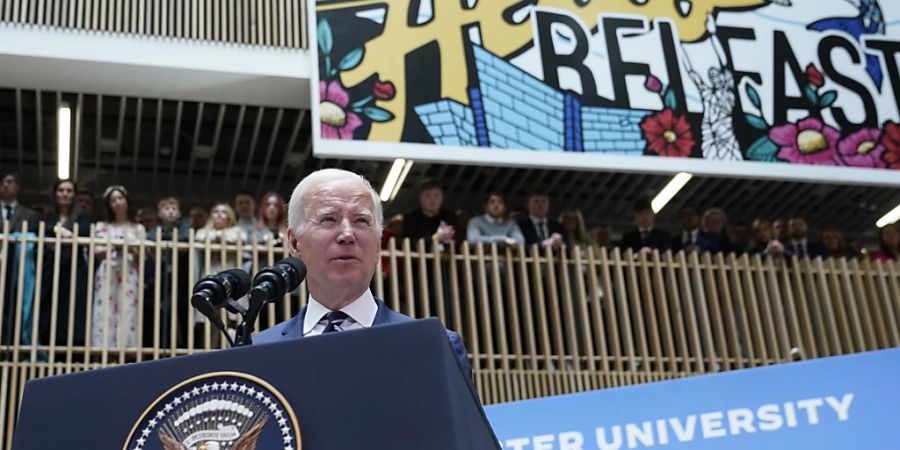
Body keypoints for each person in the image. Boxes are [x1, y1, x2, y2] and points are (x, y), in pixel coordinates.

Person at [253, 169, 471, 379]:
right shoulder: (258, 353)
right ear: (294, 242)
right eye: (328, 219)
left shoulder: (437, 348)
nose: (347, 234)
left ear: (377, 245)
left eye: (361, 221)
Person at [39, 179, 91, 346]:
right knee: (47, 309)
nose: (65, 194)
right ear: (55, 193)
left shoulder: (83, 218)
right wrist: (56, 229)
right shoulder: (46, 215)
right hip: (49, 269)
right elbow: (35, 225)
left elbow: (83, 233)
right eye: (61, 190)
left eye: (69, 191)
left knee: (69, 312)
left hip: (73, 270)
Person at [91, 185, 144, 349]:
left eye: (120, 198)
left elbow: (142, 253)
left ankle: (126, 348)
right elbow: (95, 250)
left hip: (128, 270)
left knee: (128, 308)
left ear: (127, 201)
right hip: (107, 270)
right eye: (113, 200)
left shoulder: (138, 228)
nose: (117, 203)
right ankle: (103, 347)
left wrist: (130, 245)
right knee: (104, 308)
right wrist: (113, 245)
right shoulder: (101, 226)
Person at [401, 180, 458, 248]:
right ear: (420, 198)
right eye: (427, 195)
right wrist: (435, 238)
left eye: (436, 195)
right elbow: (411, 243)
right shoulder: (411, 219)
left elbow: (459, 240)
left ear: (442, 197)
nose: (432, 199)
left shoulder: (449, 217)